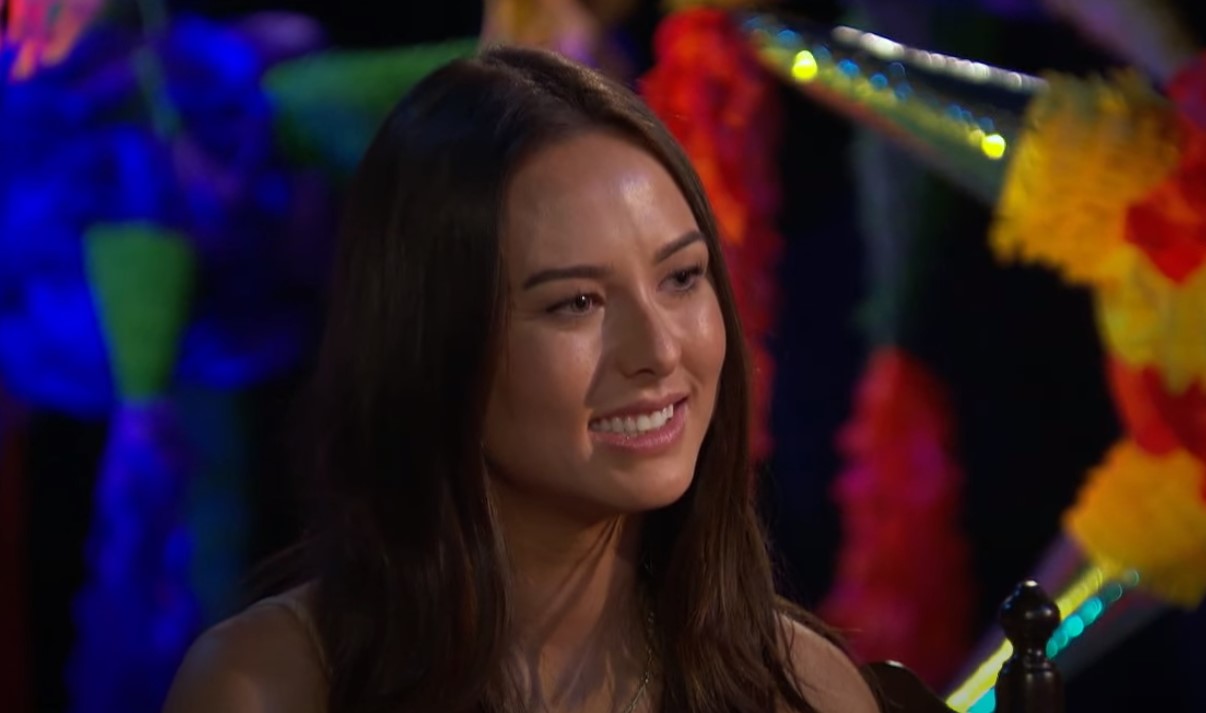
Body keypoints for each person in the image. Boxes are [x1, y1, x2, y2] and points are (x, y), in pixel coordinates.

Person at [160, 46, 879, 713]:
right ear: (434, 343)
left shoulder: (806, 689)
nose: (660, 350)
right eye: (577, 303)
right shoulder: (266, 687)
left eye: (682, 277)